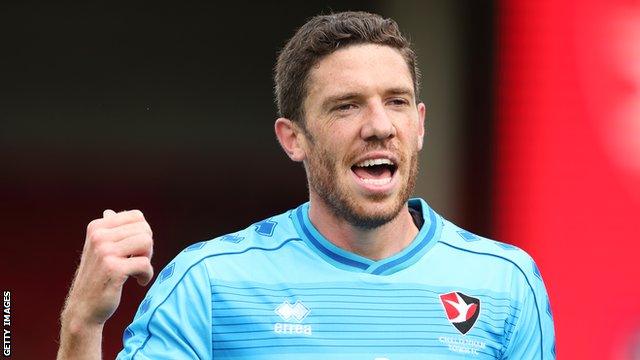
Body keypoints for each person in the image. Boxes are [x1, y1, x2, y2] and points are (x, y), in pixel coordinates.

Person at [57, 11, 555, 359]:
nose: (379, 124)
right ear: (293, 138)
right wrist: (82, 323)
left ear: (420, 125)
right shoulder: (208, 284)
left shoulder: (507, 284)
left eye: (397, 102)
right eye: (347, 105)